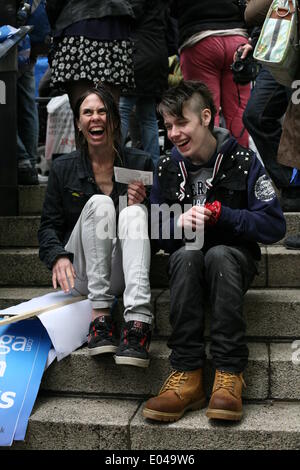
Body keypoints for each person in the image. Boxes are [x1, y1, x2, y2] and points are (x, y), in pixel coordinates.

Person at [143, 80, 286, 422]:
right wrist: (176, 224)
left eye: (182, 123)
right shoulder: (164, 167)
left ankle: (228, 373)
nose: (174, 133)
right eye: (168, 126)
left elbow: (274, 226)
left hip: (234, 261)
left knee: (219, 254)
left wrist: (225, 214)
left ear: (205, 117)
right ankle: (187, 375)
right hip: (187, 266)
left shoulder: (244, 159)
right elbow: (153, 235)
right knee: (186, 255)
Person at [38, 87, 153, 367]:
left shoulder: (140, 162)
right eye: (87, 112)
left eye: (102, 111)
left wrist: (148, 205)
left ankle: (137, 324)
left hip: (122, 270)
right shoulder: (64, 168)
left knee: (135, 212)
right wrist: (57, 256)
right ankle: (100, 317)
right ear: (78, 123)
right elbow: (47, 228)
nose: (95, 118)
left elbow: (162, 232)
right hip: (81, 272)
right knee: (100, 203)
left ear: (113, 121)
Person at [171, 0, 250, 147]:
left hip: (199, 39)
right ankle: (241, 162)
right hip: (236, 39)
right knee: (238, 111)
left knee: (204, 108)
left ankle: (210, 164)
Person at [46, 0, 144, 109]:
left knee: (83, 110)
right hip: (116, 27)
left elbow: (53, 5)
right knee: (109, 112)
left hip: (76, 24)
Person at [119, 0, 171, 169]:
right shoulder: (163, 6)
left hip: (138, 55)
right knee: (148, 116)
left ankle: (114, 159)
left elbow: (130, 14)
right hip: (158, 55)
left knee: (123, 109)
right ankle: (154, 165)